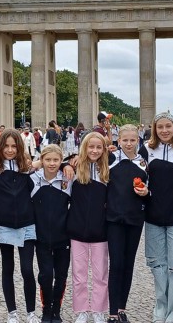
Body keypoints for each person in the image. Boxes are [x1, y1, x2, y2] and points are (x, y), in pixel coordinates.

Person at [138, 112, 173, 323]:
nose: (164, 131)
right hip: (152, 215)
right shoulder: (147, 149)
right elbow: (127, 165)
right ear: (154, 129)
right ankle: (161, 307)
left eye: (168, 126)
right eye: (160, 127)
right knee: (157, 265)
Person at [0, 128, 40, 323]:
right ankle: (12, 312)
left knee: (27, 269)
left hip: (27, 224)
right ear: (0, 147)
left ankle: (31, 312)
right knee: (7, 268)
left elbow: (52, 161)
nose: (10, 150)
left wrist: (67, 163)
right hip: (4, 225)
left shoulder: (27, 168)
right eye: (6, 146)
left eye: (14, 146)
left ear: (19, 148)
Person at [107, 124, 148, 323]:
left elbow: (151, 188)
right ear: (118, 141)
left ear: (138, 141)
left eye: (133, 140)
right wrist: (67, 165)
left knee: (129, 264)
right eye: (125, 140)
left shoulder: (143, 162)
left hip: (135, 219)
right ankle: (112, 312)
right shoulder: (111, 159)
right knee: (116, 263)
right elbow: (81, 160)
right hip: (113, 219)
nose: (129, 144)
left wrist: (146, 192)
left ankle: (122, 308)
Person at [66, 132, 109, 323]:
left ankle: (98, 310)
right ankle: (81, 310)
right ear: (84, 147)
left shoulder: (108, 170)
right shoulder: (74, 169)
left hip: (101, 231)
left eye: (98, 147)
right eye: (91, 147)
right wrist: (65, 163)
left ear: (104, 149)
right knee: (79, 274)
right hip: (77, 230)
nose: (94, 150)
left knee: (101, 274)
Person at [30, 145, 72, 323]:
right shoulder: (33, 178)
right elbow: (21, 167)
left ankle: (56, 309)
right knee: (46, 275)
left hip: (63, 236)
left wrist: (66, 165)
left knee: (61, 275)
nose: (52, 163)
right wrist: (35, 163)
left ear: (61, 160)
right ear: (42, 160)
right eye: (48, 160)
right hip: (41, 237)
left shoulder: (68, 179)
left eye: (56, 160)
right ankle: (46, 308)